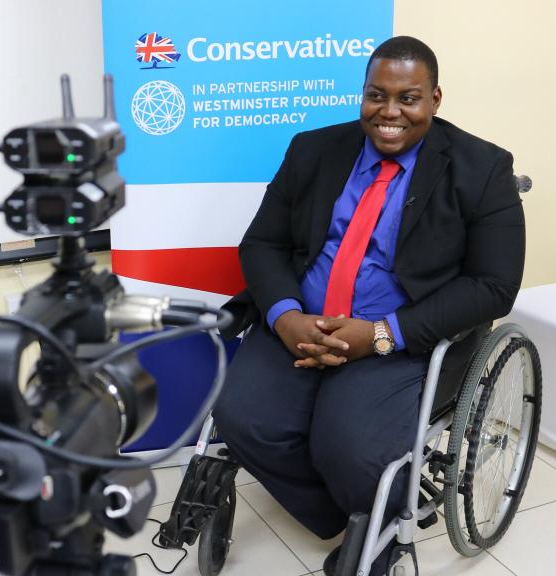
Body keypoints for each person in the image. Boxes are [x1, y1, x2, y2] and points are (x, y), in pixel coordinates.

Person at [213, 36, 525, 575]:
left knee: (354, 449)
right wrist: (286, 316)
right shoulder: (313, 149)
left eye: (409, 98)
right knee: (244, 422)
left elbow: (494, 285)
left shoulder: (482, 168)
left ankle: (375, 530)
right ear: (362, 94)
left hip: (399, 339)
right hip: (300, 323)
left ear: (435, 99)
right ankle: (343, 515)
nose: (390, 113)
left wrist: (380, 333)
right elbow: (261, 243)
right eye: (377, 95)